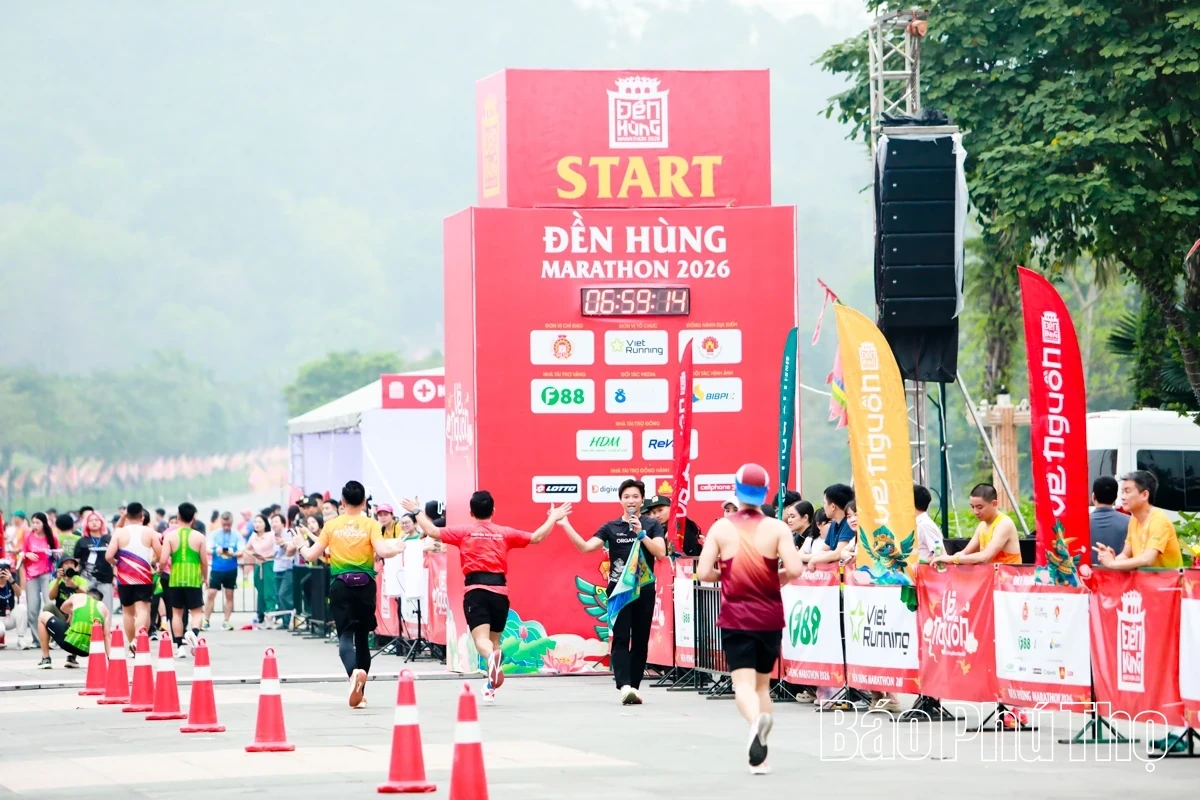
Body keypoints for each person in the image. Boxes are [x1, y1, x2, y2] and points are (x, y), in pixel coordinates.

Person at [402, 491, 569, 703]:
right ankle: (491, 687)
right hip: (500, 592)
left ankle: (491, 659)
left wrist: (416, 510)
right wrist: (553, 517)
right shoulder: (504, 532)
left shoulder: (464, 531)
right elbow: (536, 537)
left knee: (482, 641)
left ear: (471, 512)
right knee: (495, 641)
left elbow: (432, 531)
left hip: (476, 591)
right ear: (493, 510)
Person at [696, 464, 803, 775]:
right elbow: (795, 569)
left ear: (736, 490)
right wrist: (776, 577)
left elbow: (703, 573)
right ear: (765, 492)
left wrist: (727, 576)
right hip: (770, 616)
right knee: (762, 686)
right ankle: (761, 758)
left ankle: (756, 723)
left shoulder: (721, 528)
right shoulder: (778, 528)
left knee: (741, 684)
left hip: (736, 616)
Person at [292, 481, 409, 709]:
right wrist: (398, 548)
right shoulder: (371, 524)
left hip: (341, 586)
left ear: (342, 503)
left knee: (345, 636)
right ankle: (360, 691)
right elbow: (384, 551)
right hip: (365, 585)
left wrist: (299, 544)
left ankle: (353, 675)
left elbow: (310, 555)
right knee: (363, 638)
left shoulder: (332, 525)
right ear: (364, 502)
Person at [558, 479, 666, 705]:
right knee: (620, 638)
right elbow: (586, 547)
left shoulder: (651, 524)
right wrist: (566, 524)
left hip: (644, 589)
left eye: (635, 496)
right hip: (619, 591)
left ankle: (633, 688)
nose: (631, 500)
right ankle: (624, 685)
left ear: (641, 499)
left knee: (640, 640)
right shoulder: (610, 527)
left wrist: (641, 534)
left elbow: (661, 553)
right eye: (626, 496)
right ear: (620, 500)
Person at [1095, 470, 1183, 571]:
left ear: (1144, 495)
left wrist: (1112, 564)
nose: (1122, 497)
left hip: (1170, 583)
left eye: (1127, 492)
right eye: (1122, 492)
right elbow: (1126, 555)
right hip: (1146, 583)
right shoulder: (1134, 519)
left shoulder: (1158, 520)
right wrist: (1112, 558)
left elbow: (1147, 559)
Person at [106, 502, 161, 647]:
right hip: (143, 576)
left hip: (124, 578)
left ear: (127, 516)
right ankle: (138, 638)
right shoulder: (149, 532)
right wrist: (154, 562)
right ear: (142, 516)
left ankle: (131, 643)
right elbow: (161, 555)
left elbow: (108, 556)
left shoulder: (119, 532)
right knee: (143, 609)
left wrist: (117, 563)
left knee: (128, 612)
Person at [930, 484, 1022, 566]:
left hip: (1009, 580)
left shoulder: (1004, 524)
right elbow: (964, 553)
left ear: (994, 504)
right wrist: (943, 558)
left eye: (980, 507)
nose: (975, 512)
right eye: (972, 507)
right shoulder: (982, 525)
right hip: (991, 579)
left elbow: (985, 557)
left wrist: (951, 559)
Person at [163, 502, 207, 657]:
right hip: (193, 579)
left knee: (176, 613)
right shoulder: (199, 537)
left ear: (178, 516)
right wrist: (205, 577)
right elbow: (204, 561)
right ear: (193, 518)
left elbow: (163, 560)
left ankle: (179, 647)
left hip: (175, 579)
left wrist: (159, 571)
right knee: (196, 613)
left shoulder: (170, 536)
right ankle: (193, 633)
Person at [36, 587, 110, 669]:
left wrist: (72, 612)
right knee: (81, 626)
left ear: (86, 594)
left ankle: (46, 659)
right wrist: (111, 659)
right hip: (89, 651)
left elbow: (62, 608)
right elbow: (107, 636)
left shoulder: (78, 596)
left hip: (69, 643)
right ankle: (71, 659)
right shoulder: (104, 608)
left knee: (43, 616)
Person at [19, 512, 57, 632]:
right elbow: (21, 554)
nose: (35, 525)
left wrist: (52, 554)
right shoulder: (28, 537)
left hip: (47, 574)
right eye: (33, 522)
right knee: (33, 608)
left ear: (44, 523)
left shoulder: (51, 537)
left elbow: (57, 554)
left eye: (38, 522)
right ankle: (37, 639)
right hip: (31, 575)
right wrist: (27, 554)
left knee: (49, 605)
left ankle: (52, 636)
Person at [205, 512, 241, 630]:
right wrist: (216, 551)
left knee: (229, 595)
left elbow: (242, 551)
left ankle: (226, 621)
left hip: (231, 569)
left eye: (228, 525)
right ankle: (206, 620)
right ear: (221, 523)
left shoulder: (236, 535)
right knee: (211, 594)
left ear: (231, 523)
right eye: (224, 524)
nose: (226, 527)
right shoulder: (214, 534)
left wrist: (233, 553)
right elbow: (207, 549)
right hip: (217, 568)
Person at [74, 510, 114, 611]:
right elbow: (76, 562)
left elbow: (115, 559)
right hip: (87, 579)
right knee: (87, 608)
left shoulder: (108, 539)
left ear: (102, 522)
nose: (94, 522)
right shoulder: (82, 541)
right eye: (91, 520)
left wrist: (115, 577)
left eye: (97, 520)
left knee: (106, 608)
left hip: (106, 579)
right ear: (86, 523)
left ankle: (106, 627)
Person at [808, 484, 856, 564]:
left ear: (833, 506)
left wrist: (814, 560)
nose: (824, 507)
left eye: (824, 503)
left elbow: (838, 554)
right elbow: (823, 551)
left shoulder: (850, 524)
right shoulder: (834, 524)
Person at [1089, 476, 1128, 555]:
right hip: (1120, 567)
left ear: (1093, 496)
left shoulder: (1080, 523)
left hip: (1087, 568)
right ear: (1116, 497)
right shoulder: (1131, 522)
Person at [0, 559, 31, 649]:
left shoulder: (11, 583)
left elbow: (19, 594)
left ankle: (21, 640)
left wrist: (11, 580)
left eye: (6, 569)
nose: (3, 572)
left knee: (22, 608)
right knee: (0, 630)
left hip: (9, 616)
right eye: (1, 569)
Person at [914, 485, 945, 561]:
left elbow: (941, 555)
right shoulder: (920, 523)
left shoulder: (925, 525)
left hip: (924, 571)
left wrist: (918, 564)